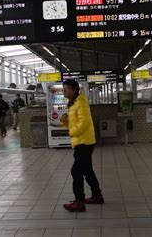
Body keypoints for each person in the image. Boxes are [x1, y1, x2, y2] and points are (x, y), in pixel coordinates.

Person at [60, 79, 103, 212]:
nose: (64, 91)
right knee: (87, 170)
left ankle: (79, 202)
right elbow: (75, 123)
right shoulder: (73, 103)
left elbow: (84, 123)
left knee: (76, 171)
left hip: (83, 142)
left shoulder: (81, 102)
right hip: (83, 141)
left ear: (74, 89)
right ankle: (97, 195)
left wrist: (71, 132)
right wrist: (65, 122)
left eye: (66, 88)